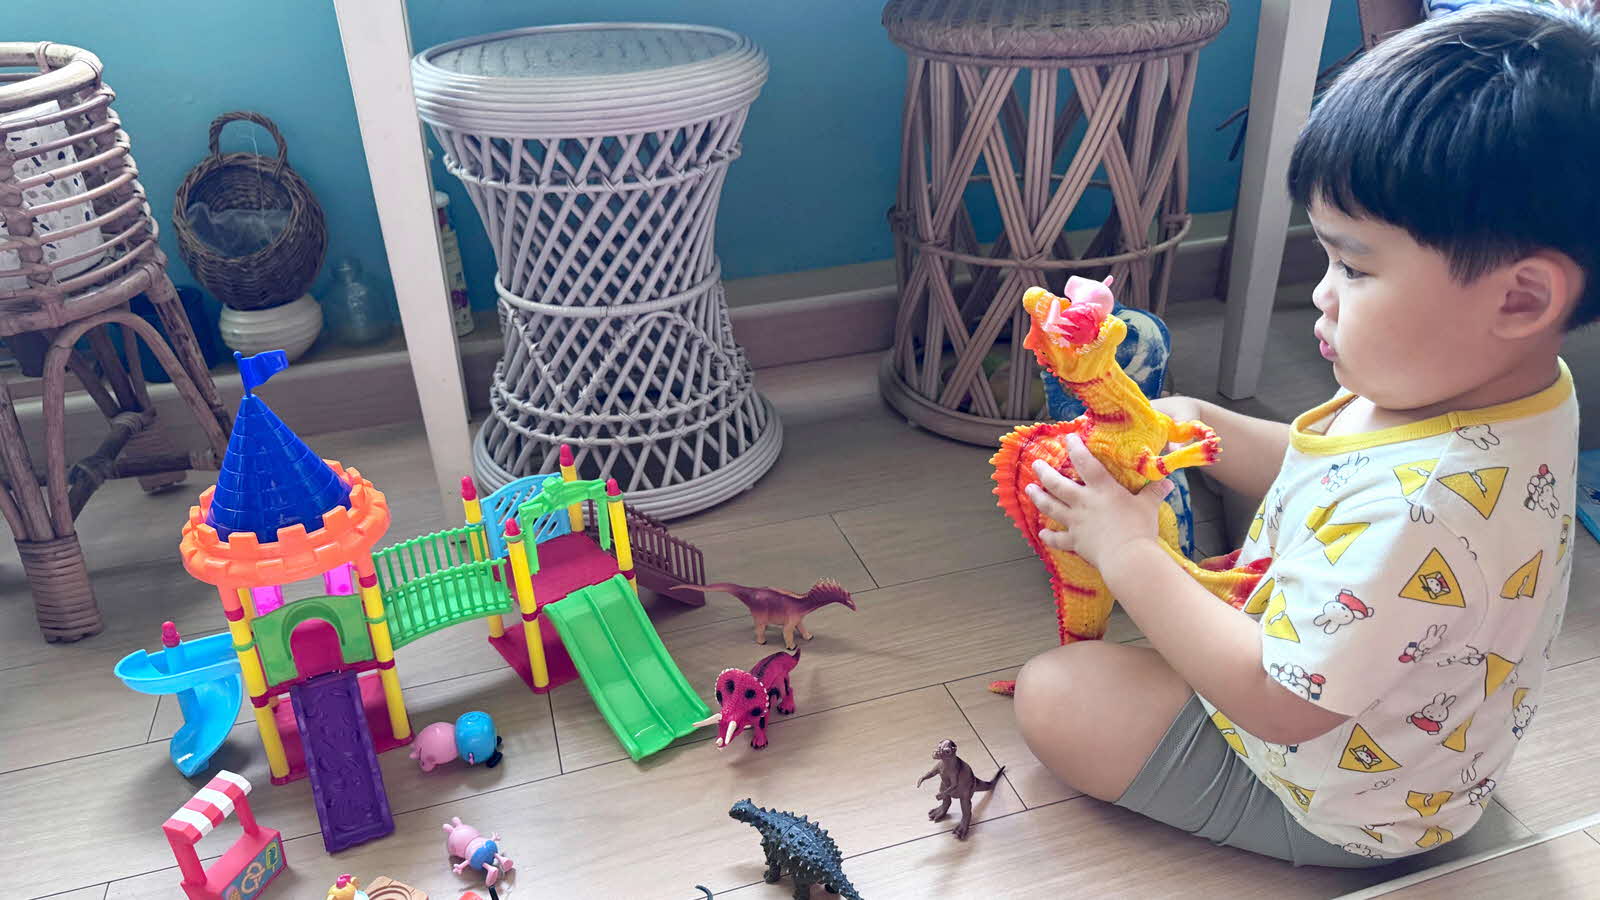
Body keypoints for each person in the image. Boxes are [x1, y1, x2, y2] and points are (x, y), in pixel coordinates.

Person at [1013, 2, 1593, 866]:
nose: (1320, 293)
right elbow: (1338, 465)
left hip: (1338, 798)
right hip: (1405, 732)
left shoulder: (1424, 509)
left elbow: (1279, 705)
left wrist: (1126, 553)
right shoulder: (1517, 391)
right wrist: (1205, 427)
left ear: (1520, 298)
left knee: (1052, 693)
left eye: (1354, 268)